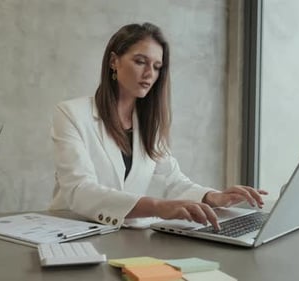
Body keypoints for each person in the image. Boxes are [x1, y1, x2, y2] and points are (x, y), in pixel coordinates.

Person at [49, 22, 267, 230]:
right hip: (71, 234)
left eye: (156, 66)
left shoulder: (148, 123)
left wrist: (214, 197)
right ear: (114, 61)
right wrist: (158, 207)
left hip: (121, 237)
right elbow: (80, 190)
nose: (149, 74)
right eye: (140, 61)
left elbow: (173, 181)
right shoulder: (71, 114)